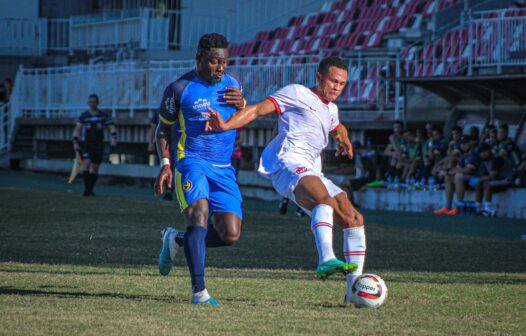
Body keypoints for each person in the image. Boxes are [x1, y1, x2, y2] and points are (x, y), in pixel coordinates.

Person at [205, 56, 365, 306]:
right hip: (287, 164)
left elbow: (337, 126)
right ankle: (326, 259)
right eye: (333, 81)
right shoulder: (297, 93)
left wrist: (345, 140)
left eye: (342, 84)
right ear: (319, 77)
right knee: (324, 199)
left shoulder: (331, 108)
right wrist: (226, 125)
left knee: (353, 218)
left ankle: (354, 291)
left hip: (312, 170)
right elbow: (257, 110)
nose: (336, 87)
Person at [154, 33, 246, 306]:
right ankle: (199, 292)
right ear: (199, 58)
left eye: (224, 62)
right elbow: (163, 129)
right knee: (199, 216)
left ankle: (176, 239)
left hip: (223, 168)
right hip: (190, 161)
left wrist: (243, 106)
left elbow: (243, 118)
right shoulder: (179, 88)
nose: (220, 67)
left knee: (230, 234)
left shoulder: (233, 85)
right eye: (214, 61)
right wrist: (166, 164)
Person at [72, 94, 117, 196]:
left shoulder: (103, 115)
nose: (92, 104)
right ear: (88, 103)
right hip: (86, 143)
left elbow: (111, 127)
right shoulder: (84, 116)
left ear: (97, 103)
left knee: (95, 167)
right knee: (87, 163)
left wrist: (113, 138)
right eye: (90, 102)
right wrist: (75, 142)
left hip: (98, 144)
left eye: (94, 102)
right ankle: (86, 189)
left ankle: (90, 189)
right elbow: (77, 129)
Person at [434, 135, 473, 214]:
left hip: (477, 179)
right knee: (448, 177)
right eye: (462, 144)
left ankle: (459, 206)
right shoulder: (464, 156)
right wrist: (446, 172)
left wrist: (451, 171)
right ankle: (448, 207)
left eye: (465, 143)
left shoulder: (474, 154)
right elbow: (457, 168)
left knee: (458, 176)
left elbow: (468, 170)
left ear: (470, 143)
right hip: (467, 178)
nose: (463, 146)